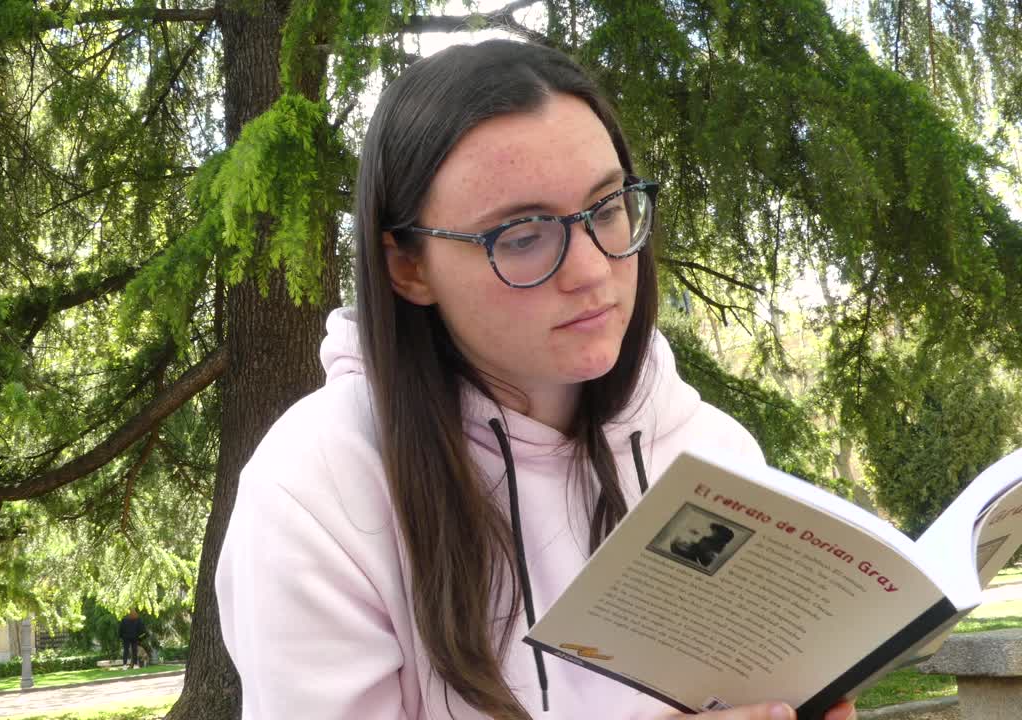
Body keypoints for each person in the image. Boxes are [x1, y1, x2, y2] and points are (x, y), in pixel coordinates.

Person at [216, 40, 856, 720]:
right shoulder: (315, 488)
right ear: (409, 269)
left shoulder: (713, 452)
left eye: (607, 208)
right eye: (522, 236)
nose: (589, 270)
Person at [670, 519, 737, 569]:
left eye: (714, 531)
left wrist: (691, 546)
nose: (712, 533)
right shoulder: (711, 541)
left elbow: (704, 558)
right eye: (713, 531)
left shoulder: (717, 547)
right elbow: (701, 542)